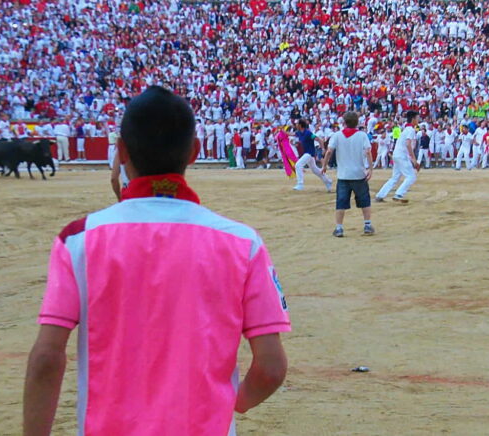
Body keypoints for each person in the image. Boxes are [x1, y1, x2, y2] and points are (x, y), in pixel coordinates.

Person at [24, 86, 290, 436]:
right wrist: (231, 403)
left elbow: (46, 359)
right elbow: (271, 367)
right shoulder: (242, 243)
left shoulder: (78, 238)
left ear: (120, 151)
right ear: (195, 151)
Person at [321, 111, 375, 237]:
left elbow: (329, 151)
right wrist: (370, 169)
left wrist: (324, 166)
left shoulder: (337, 135)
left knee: (341, 201)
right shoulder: (362, 135)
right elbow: (368, 152)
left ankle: (339, 227)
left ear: (344, 122)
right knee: (364, 200)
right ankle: (367, 225)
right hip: (359, 174)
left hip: (343, 175)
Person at [374, 111, 421, 203]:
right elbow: (408, 144)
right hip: (402, 155)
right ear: (413, 119)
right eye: (417, 118)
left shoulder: (406, 129)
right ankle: (399, 194)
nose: (418, 120)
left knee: (395, 177)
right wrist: (414, 160)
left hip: (397, 154)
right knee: (411, 176)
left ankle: (380, 195)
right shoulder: (410, 130)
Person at [291, 119, 332, 192]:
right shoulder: (299, 132)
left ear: (300, 125)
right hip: (307, 153)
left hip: (310, 153)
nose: (296, 125)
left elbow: (319, 139)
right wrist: (282, 132)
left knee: (298, 165)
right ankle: (328, 181)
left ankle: (300, 184)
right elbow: (291, 134)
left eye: (297, 124)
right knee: (315, 170)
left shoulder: (308, 133)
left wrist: (322, 148)